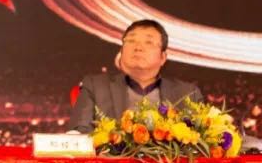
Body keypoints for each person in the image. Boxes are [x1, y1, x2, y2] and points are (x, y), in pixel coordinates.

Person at [68, 19, 203, 132]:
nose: (138, 47)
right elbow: (78, 135)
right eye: (131, 41)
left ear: (163, 57)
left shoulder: (188, 94)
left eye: (148, 42)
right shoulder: (95, 86)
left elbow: (201, 141)